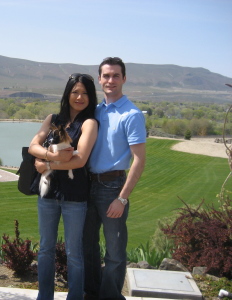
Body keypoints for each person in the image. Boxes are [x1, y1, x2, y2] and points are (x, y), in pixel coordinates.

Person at [29, 73, 98, 300]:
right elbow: (33, 146)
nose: (79, 97)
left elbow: (80, 161)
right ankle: (44, 297)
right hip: (47, 193)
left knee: (74, 253)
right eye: (75, 91)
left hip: (75, 197)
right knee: (46, 249)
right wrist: (53, 156)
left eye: (85, 93)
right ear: (67, 93)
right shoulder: (53, 119)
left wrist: (47, 163)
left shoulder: (89, 123)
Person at [83, 57, 146, 300]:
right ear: (99, 79)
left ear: (124, 79)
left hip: (112, 189)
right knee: (87, 247)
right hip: (87, 186)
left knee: (115, 252)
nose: (110, 80)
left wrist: (122, 199)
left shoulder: (132, 114)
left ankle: (109, 297)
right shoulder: (95, 111)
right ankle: (91, 293)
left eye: (115, 76)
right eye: (106, 76)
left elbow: (139, 160)